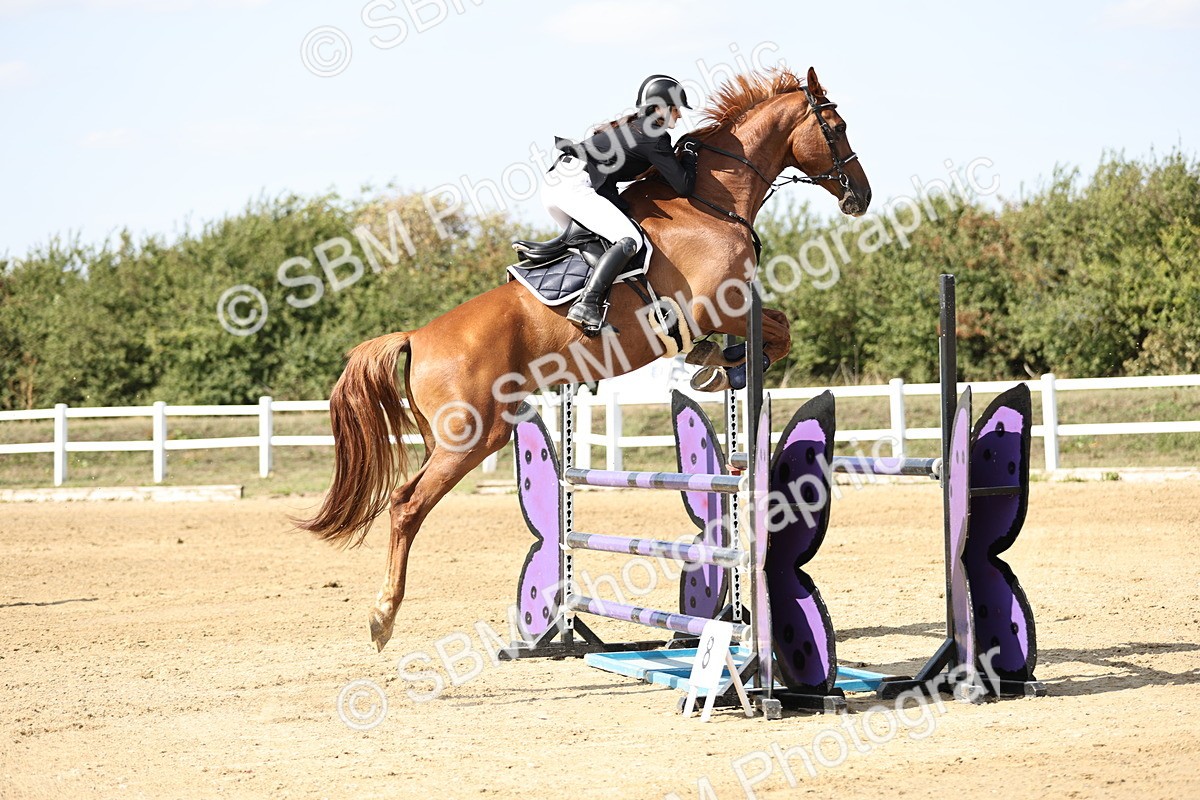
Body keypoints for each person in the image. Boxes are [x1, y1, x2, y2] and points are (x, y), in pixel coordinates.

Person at [539, 74, 699, 335]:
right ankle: (586, 305)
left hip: (557, 184)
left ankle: (592, 307)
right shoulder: (653, 136)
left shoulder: (633, 129)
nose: (679, 115)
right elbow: (684, 186)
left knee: (602, 246)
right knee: (628, 238)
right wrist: (690, 154)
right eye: (676, 108)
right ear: (659, 107)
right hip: (573, 186)